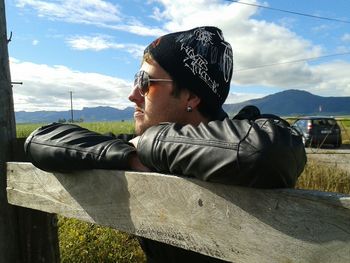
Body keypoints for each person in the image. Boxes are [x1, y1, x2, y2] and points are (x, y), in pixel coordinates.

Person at [24, 26, 307, 262]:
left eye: (145, 81)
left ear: (191, 97)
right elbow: (40, 139)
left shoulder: (251, 132)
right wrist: (130, 155)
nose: (133, 94)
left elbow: (265, 152)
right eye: (136, 79)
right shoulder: (134, 148)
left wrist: (147, 146)